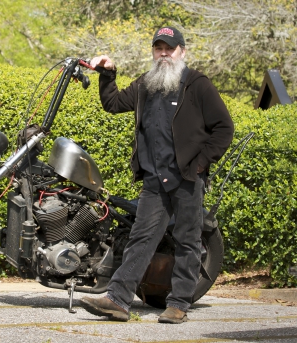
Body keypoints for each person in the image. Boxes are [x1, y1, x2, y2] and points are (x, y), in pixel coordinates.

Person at [80, 26, 234, 324]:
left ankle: (178, 305)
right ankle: (118, 300)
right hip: (154, 181)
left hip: (187, 179)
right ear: (153, 51)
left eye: (170, 48)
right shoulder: (145, 85)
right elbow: (112, 104)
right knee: (140, 239)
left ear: (182, 52)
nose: (164, 53)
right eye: (158, 48)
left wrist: (200, 164)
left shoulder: (197, 84)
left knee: (188, 241)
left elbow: (224, 129)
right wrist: (108, 73)